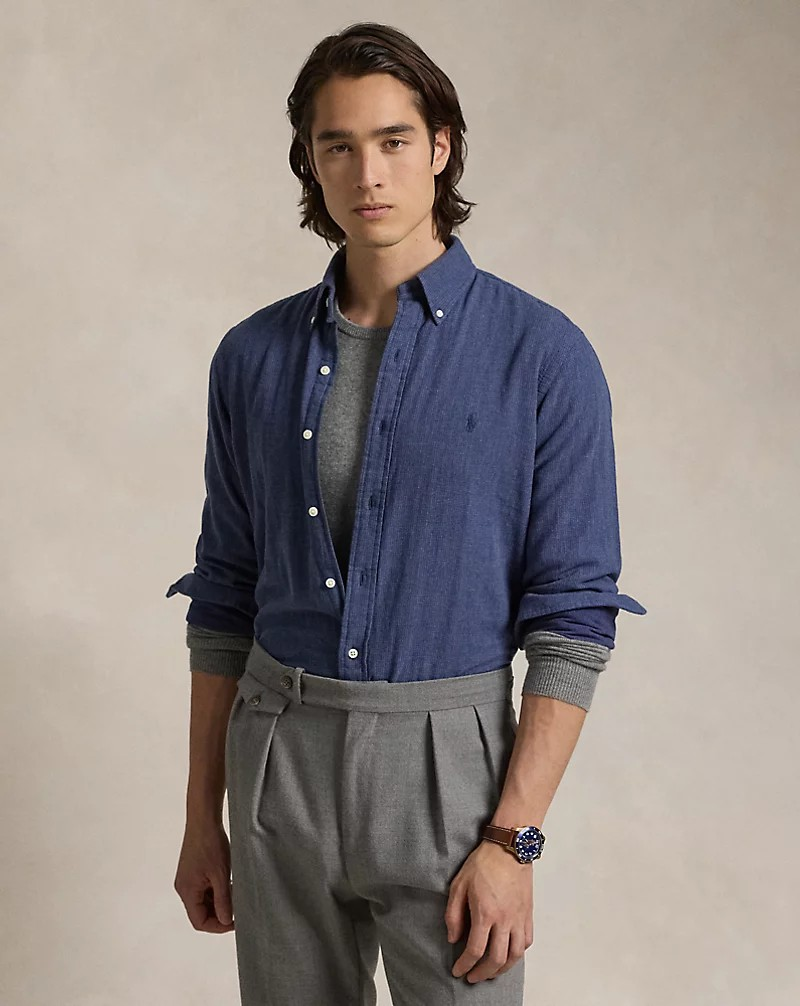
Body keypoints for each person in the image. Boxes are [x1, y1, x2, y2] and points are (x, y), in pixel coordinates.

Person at [168, 21, 646, 1006]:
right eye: (337, 145)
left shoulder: (540, 355)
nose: (367, 173)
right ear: (310, 161)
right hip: (277, 760)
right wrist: (200, 819)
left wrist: (513, 839)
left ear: (439, 147)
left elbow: (570, 621)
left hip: (449, 774)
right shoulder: (252, 357)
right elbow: (224, 597)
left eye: (392, 140)